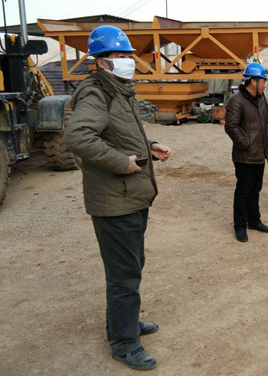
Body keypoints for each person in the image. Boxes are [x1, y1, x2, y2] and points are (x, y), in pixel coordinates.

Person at [65, 25, 172, 371]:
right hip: (114, 201)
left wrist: (149, 146)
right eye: (121, 55)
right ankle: (124, 344)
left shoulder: (119, 91)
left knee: (132, 266)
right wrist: (120, 163)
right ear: (102, 61)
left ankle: (124, 325)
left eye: (129, 55)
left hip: (130, 198)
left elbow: (119, 134)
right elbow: (78, 137)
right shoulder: (97, 93)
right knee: (123, 275)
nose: (128, 61)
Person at [225, 62, 268, 242]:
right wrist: (246, 144)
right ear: (253, 81)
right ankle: (240, 226)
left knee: (255, 190)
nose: (265, 85)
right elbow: (231, 127)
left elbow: (266, 124)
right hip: (244, 157)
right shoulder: (236, 100)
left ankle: (254, 221)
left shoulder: (261, 99)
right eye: (263, 81)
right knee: (243, 192)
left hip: (259, 155)